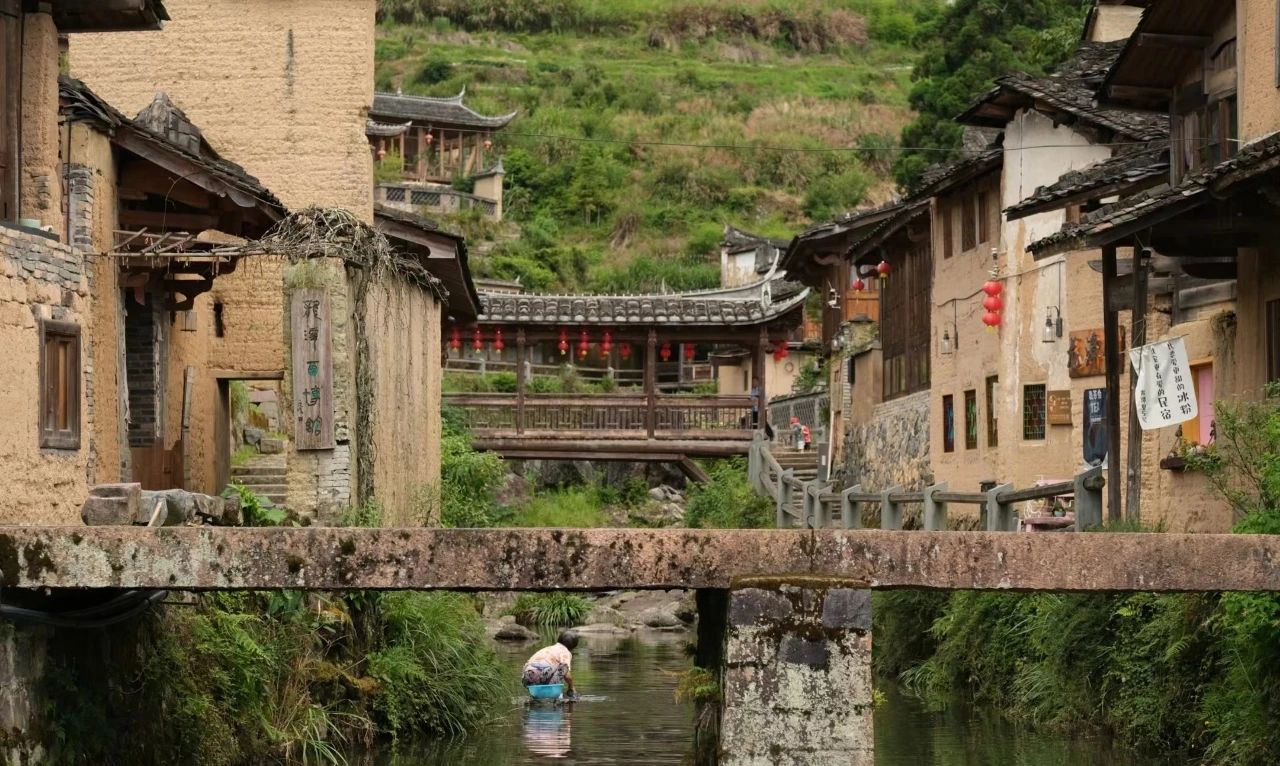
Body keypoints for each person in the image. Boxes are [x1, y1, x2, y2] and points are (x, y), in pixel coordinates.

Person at [522, 631, 578, 698]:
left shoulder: (547, 649)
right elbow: (567, 676)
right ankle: (555, 695)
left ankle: (539, 696)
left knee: (550, 667)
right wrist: (571, 687)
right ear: (572, 648)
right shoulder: (565, 652)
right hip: (540, 676)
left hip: (526, 678)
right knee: (564, 667)